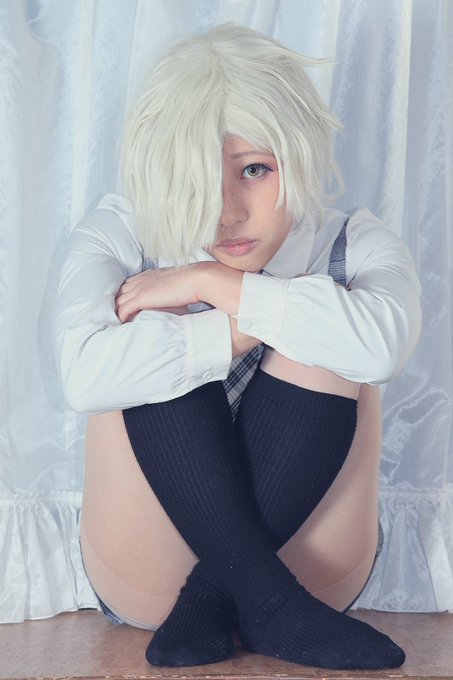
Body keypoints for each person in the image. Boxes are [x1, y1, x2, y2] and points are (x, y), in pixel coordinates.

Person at [54, 23, 421, 671]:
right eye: (195, 174)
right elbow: (83, 377)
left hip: (314, 564)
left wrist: (209, 283)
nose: (226, 211)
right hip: (149, 570)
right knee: (146, 343)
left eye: (254, 169)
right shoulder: (120, 232)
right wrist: (236, 318)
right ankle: (269, 604)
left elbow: (383, 347)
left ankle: (222, 599)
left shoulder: (355, 242)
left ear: (298, 155)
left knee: (332, 331)